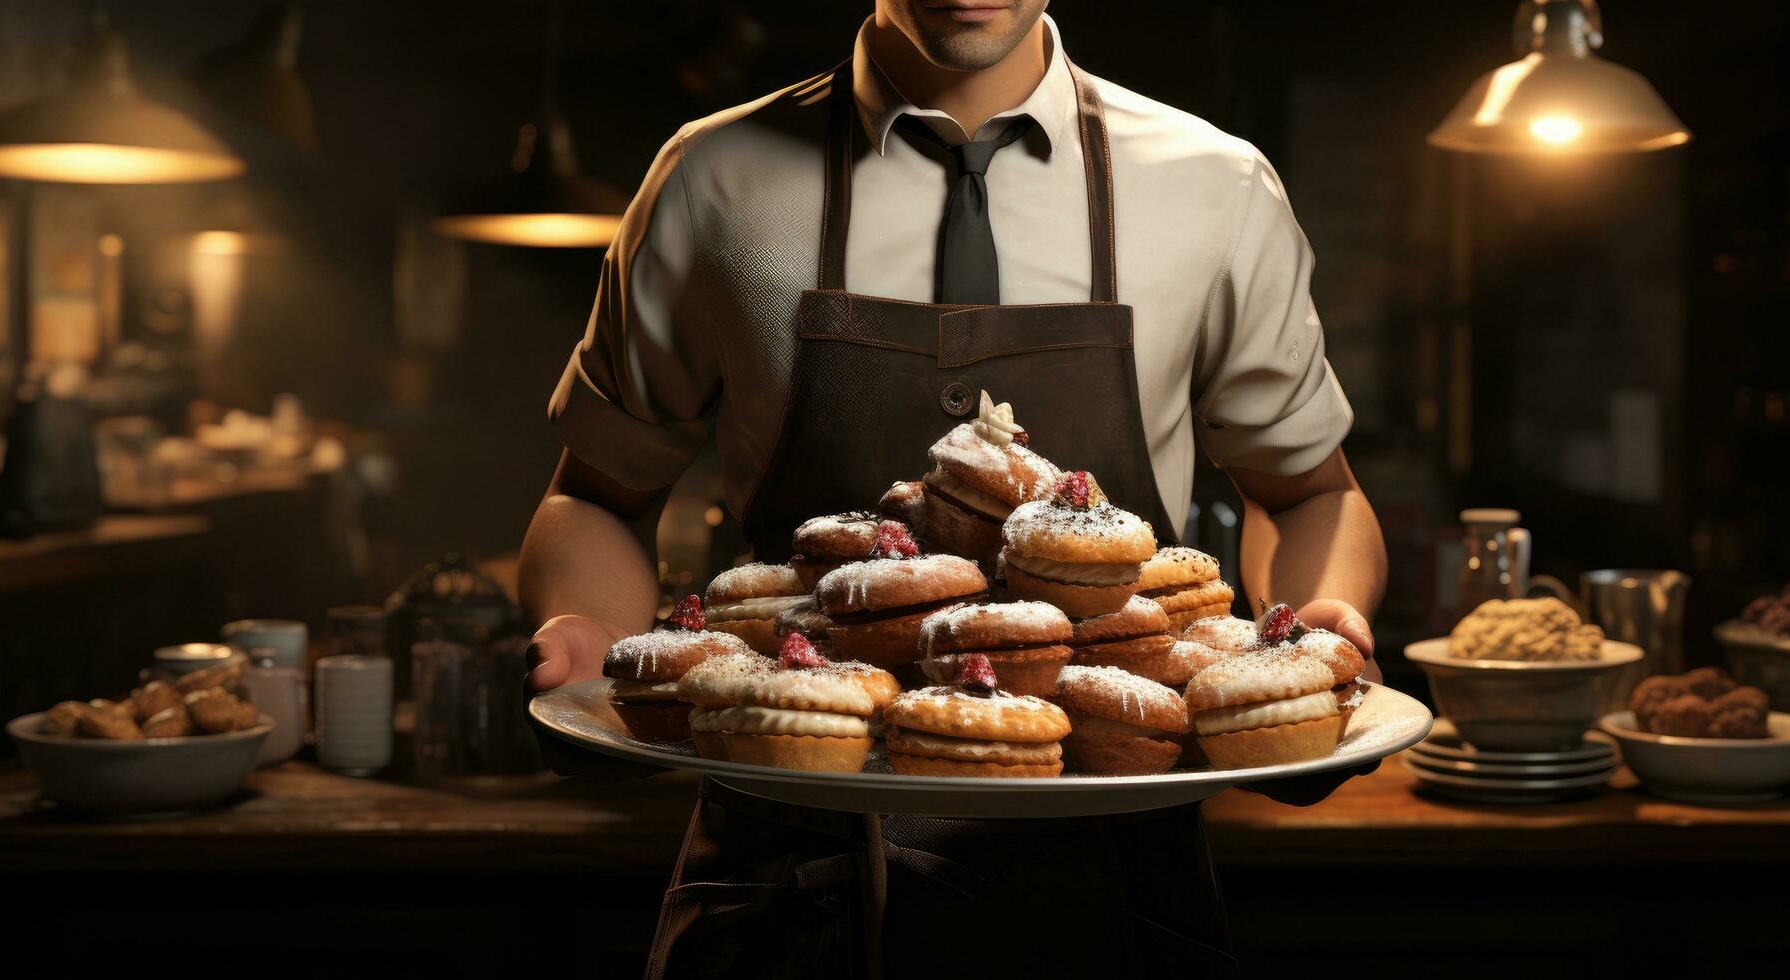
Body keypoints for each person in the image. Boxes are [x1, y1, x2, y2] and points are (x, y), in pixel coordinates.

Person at [520, 3, 1389, 976]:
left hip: (1113, 900)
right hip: (780, 895)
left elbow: (1312, 491)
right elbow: (596, 492)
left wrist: (1324, 620)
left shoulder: (1216, 188)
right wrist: (583, 629)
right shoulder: (711, 180)